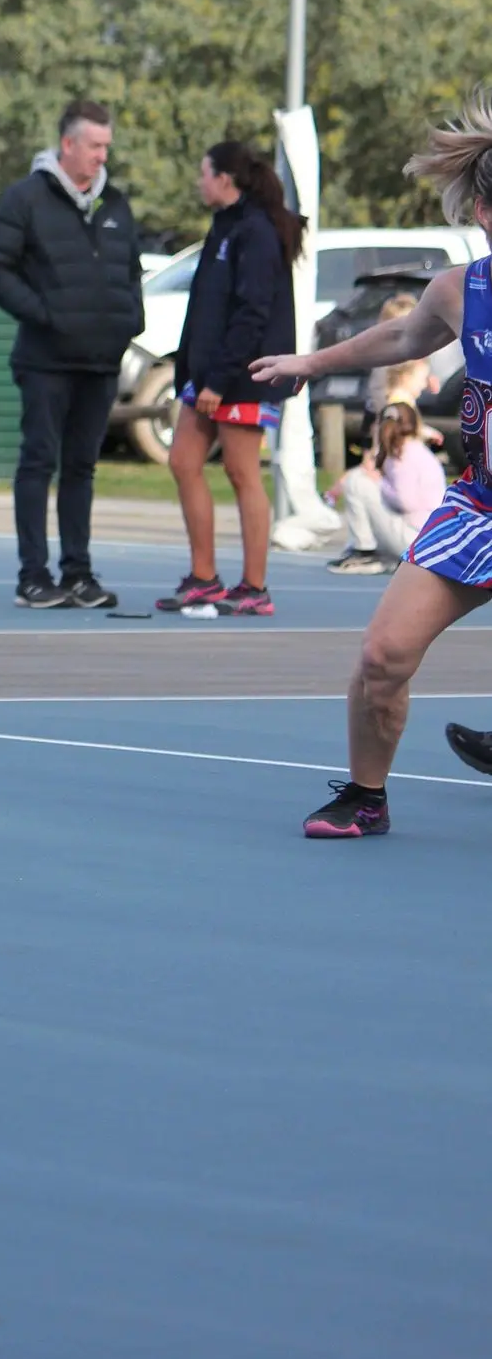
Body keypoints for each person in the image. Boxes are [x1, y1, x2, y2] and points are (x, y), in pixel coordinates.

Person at [251, 92, 492, 835]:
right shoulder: (461, 290)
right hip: (480, 506)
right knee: (383, 655)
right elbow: (398, 341)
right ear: (483, 213)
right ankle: (366, 797)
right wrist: (309, 362)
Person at [0, 100, 143, 610]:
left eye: (106, 146)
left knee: (81, 468)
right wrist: (45, 314)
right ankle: (33, 576)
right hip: (45, 360)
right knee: (38, 462)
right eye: (94, 145)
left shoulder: (115, 204)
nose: (102, 155)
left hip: (100, 361)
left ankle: (78, 574)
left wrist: (129, 323)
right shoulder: (26, 199)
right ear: (67, 144)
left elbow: (131, 271)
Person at [155, 141, 304, 617]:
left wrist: (219, 380)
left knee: (241, 472)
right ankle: (204, 578)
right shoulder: (224, 226)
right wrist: (191, 371)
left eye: (204, 173)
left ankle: (254, 587)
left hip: (243, 375)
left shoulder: (257, 231)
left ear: (224, 178)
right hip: (207, 373)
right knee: (183, 460)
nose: (199, 182)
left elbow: (251, 313)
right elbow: (207, 308)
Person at [325, 399, 445, 574]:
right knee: (361, 479)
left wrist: (380, 483)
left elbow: (406, 501)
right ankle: (386, 559)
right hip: (428, 537)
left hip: (415, 537)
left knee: (357, 481)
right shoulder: (417, 450)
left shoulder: (403, 454)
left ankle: (364, 549)